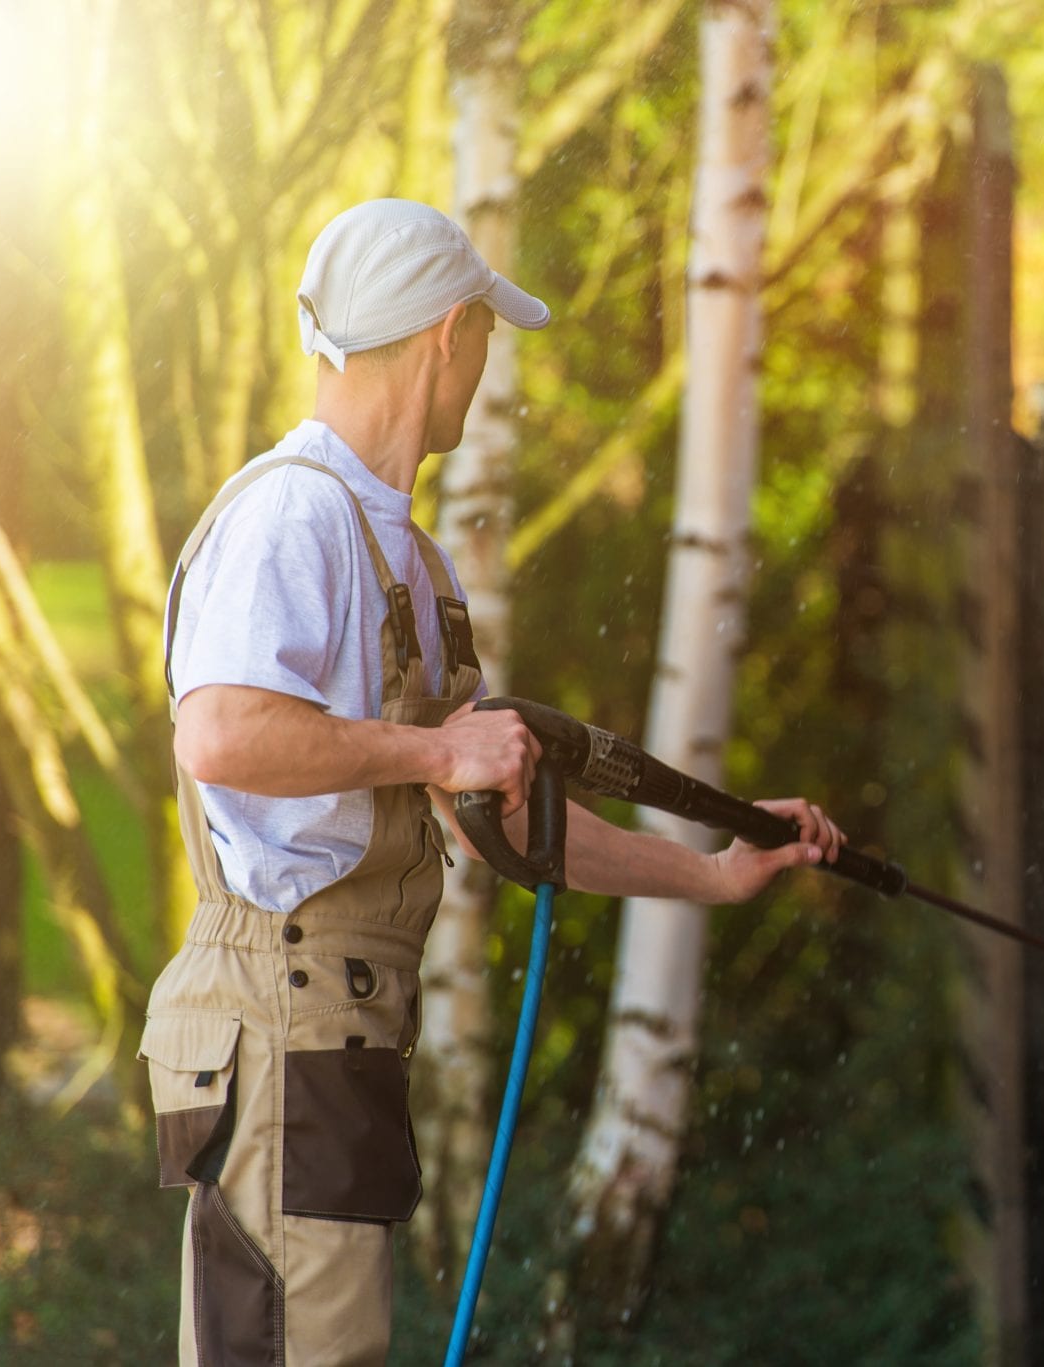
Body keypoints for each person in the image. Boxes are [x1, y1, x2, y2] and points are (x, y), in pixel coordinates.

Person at [140, 198, 843, 1364]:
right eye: (486, 339)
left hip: (338, 1026)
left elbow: (499, 815)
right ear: (447, 334)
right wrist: (431, 749)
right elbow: (220, 731)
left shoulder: (408, 557)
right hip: (277, 1011)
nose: (484, 364)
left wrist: (716, 873)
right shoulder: (292, 513)